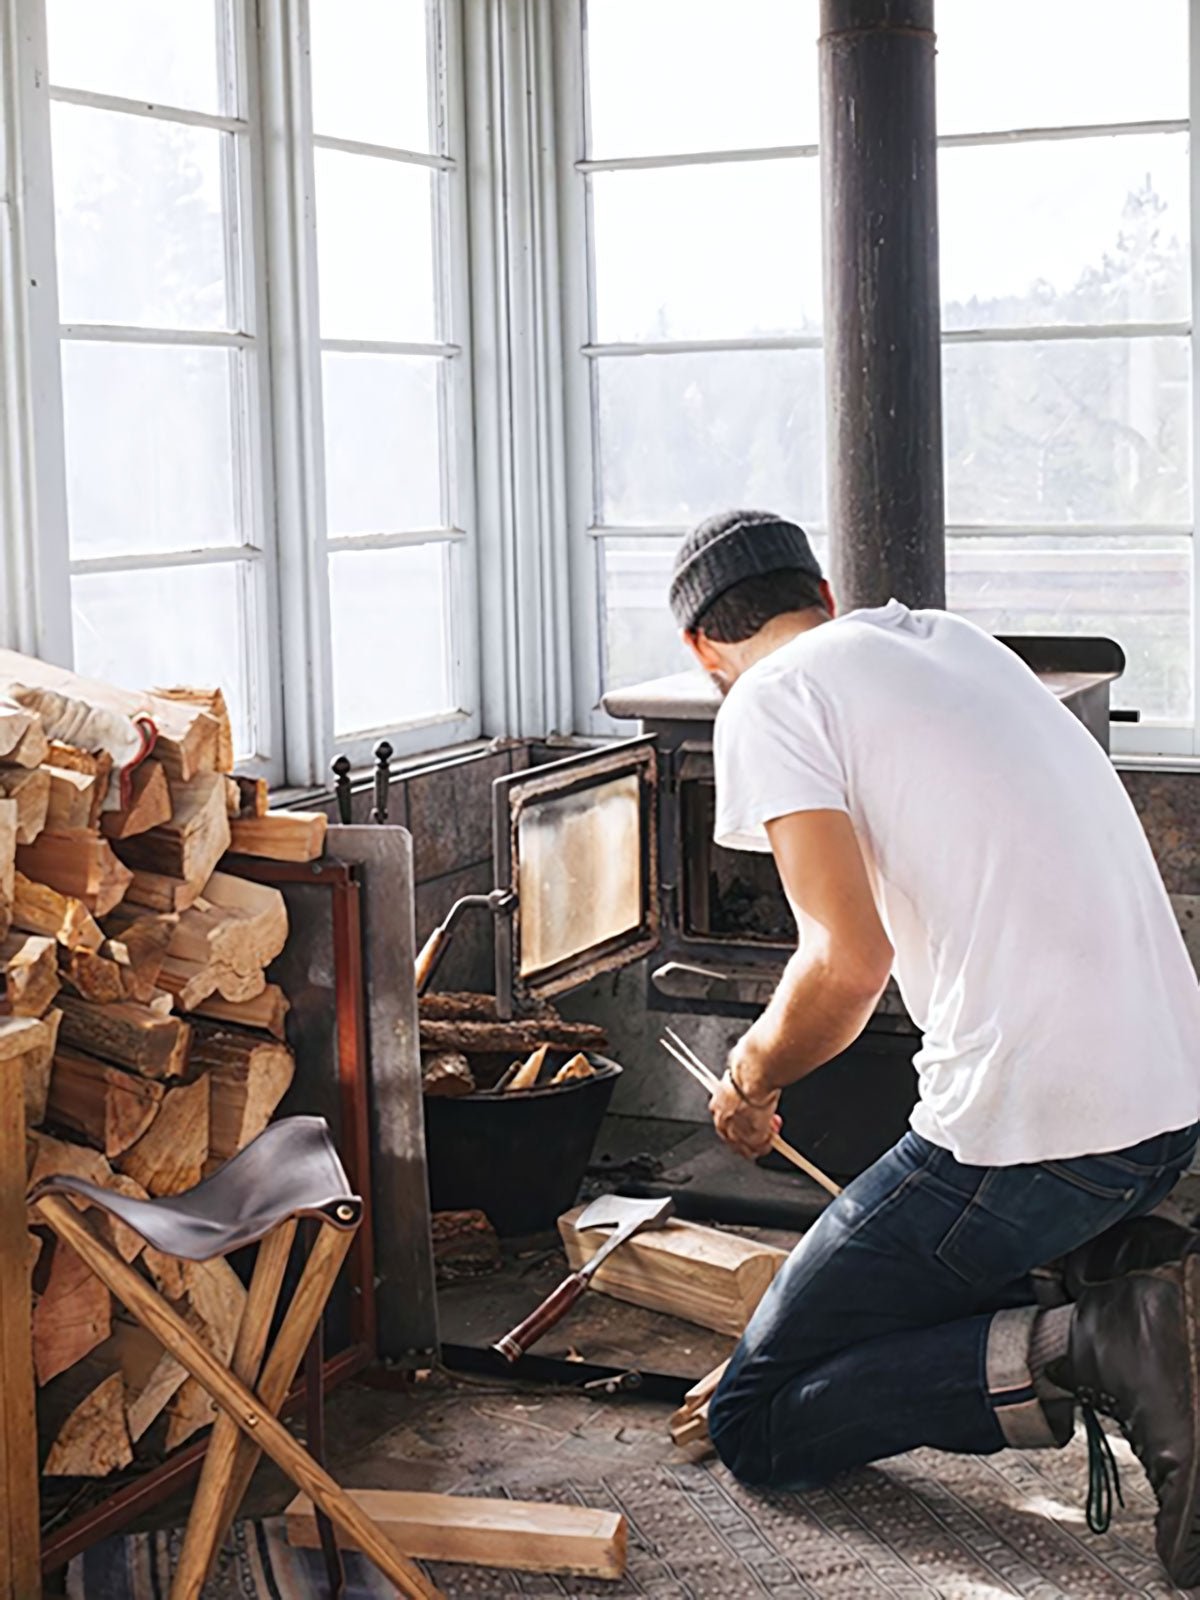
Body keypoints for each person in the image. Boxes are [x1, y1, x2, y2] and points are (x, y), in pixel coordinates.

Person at [668, 508, 1200, 1586]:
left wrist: (752, 1077)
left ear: (700, 649)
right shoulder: (952, 643)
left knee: (754, 1415)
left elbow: (845, 962)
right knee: (842, 1318)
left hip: (1033, 1134)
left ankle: (1093, 1344)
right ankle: (1117, 1275)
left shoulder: (770, 694)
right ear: (821, 592)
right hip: (1168, 1109)